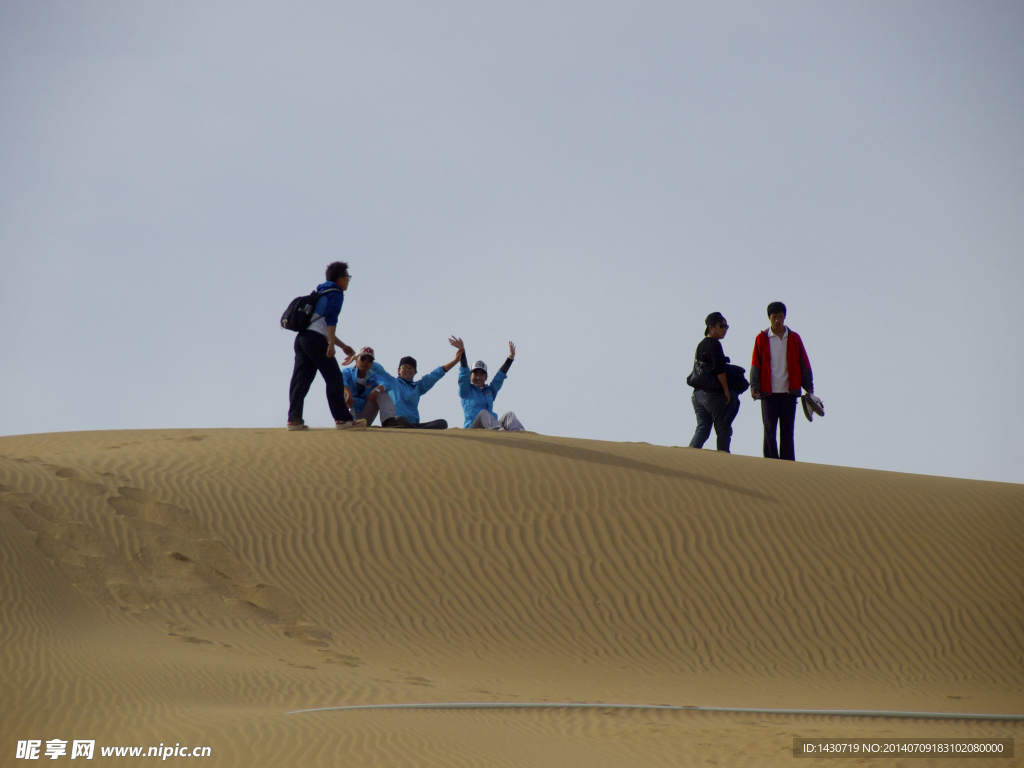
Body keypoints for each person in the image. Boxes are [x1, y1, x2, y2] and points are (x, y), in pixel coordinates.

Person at [287, 262, 366, 430]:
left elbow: (319, 325)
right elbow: (330, 320)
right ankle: (343, 420)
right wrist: (331, 345)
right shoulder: (336, 293)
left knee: (301, 380)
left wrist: (342, 345)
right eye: (347, 277)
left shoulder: (321, 291)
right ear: (340, 278)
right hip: (316, 340)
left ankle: (294, 420)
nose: (348, 281)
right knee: (334, 378)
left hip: (302, 338)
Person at [750, 301, 814, 461]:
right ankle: (770, 462)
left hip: (789, 391)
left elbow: (804, 363)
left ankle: (787, 463)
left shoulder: (794, 338)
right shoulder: (761, 339)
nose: (777, 320)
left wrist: (809, 387)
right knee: (769, 430)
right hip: (768, 391)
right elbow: (755, 364)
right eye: (773, 317)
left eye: (779, 316)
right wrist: (754, 386)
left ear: (784, 317)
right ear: (769, 318)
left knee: (787, 430)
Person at [366, 342, 463, 428]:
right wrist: (360, 357)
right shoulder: (391, 381)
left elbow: (435, 374)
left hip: (414, 424)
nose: (407, 370)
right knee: (400, 419)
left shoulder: (418, 387)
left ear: (415, 372)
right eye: (405, 367)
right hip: (397, 422)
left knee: (442, 423)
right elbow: (377, 368)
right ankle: (415, 430)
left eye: (411, 368)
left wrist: (455, 361)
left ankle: (416, 430)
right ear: (398, 370)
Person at [689, 312, 740, 452]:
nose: (725, 329)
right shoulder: (714, 344)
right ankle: (723, 462)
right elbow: (719, 369)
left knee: (703, 429)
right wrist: (726, 390)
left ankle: (688, 456)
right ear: (711, 327)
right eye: (721, 326)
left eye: (726, 326)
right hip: (712, 394)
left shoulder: (701, 345)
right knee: (723, 429)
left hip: (697, 395)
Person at [450, 337, 525, 431]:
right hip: (473, 428)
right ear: (470, 376)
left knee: (509, 415)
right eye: (475, 374)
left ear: (486, 377)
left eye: (481, 374)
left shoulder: (489, 391)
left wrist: (510, 358)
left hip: (490, 425)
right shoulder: (466, 390)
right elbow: (464, 374)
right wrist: (462, 352)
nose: (478, 377)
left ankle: (520, 435)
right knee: (483, 413)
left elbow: (499, 378)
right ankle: (499, 433)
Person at [341, 347, 401, 427]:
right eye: (363, 358)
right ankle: (344, 421)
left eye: (370, 360)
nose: (366, 362)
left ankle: (388, 421)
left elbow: (387, 383)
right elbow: (341, 380)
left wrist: (377, 389)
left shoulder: (373, 376)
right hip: (348, 416)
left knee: (382, 392)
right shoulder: (347, 372)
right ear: (356, 359)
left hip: (365, 417)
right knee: (340, 391)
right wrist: (348, 392)